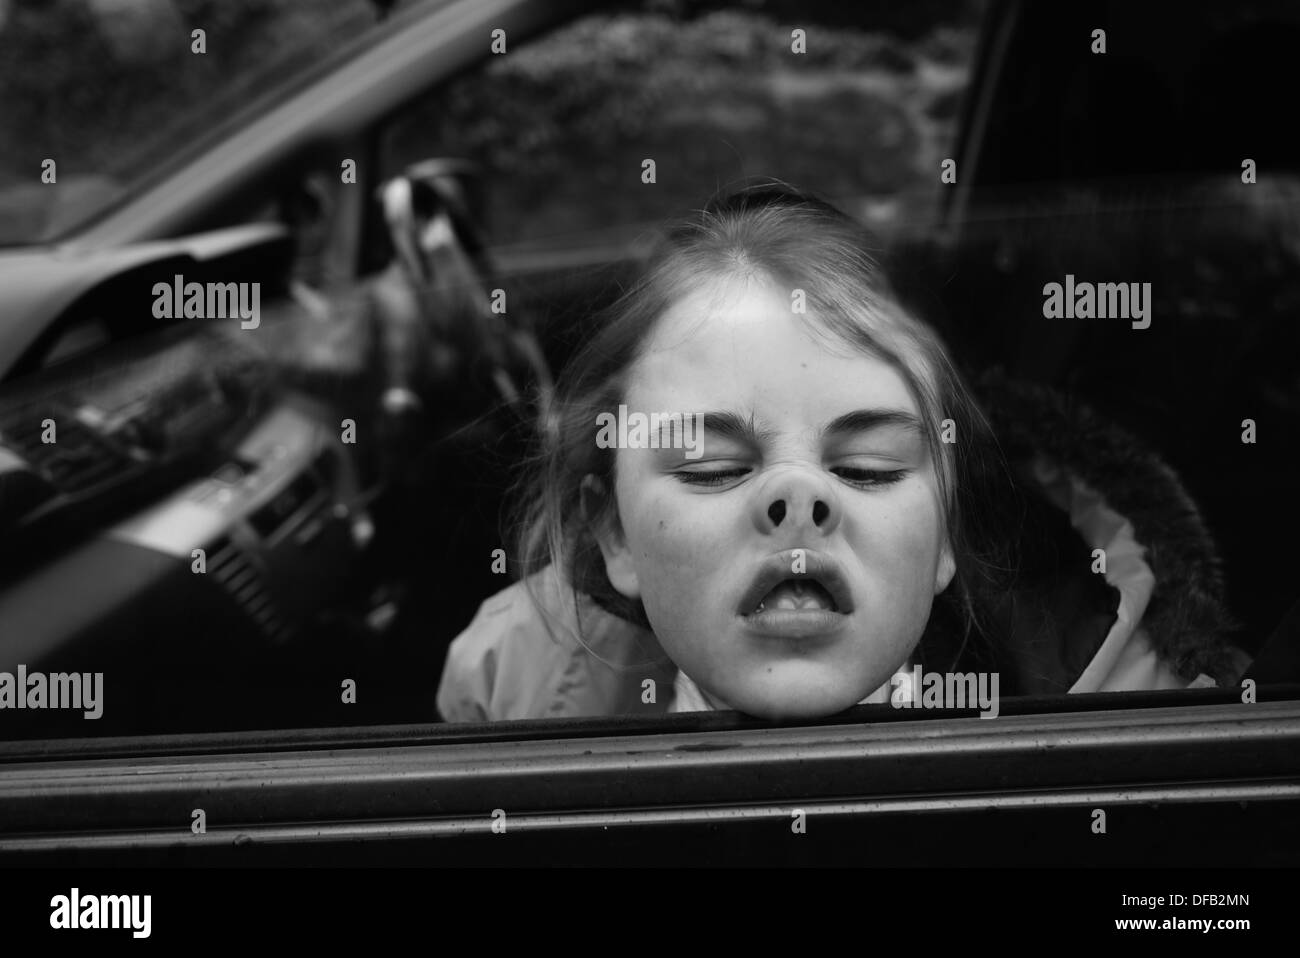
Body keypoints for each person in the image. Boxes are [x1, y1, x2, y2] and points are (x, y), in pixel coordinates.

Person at [436, 181, 1250, 722]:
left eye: (868, 468)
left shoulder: (1134, 727)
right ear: (613, 535)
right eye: (715, 468)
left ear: (944, 529)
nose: (797, 498)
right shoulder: (507, 688)